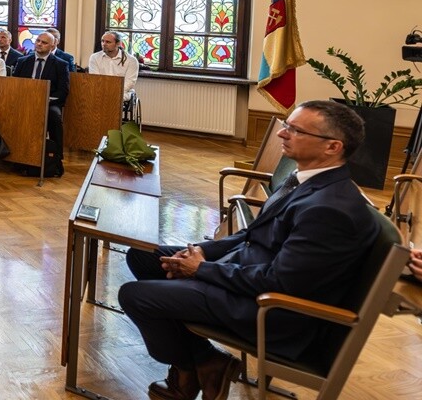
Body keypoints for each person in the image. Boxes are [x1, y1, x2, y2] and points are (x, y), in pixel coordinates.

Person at [118, 101, 379, 400]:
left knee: (135, 296)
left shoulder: (330, 209)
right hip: (245, 273)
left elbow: (279, 282)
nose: (283, 134)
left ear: (332, 147)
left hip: (270, 309)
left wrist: (202, 269)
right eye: (286, 125)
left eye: (295, 130)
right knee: (142, 254)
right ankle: (201, 363)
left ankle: (200, 364)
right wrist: (199, 251)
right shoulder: (304, 178)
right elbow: (251, 235)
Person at [14, 31, 70, 176]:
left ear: (52, 46)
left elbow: (63, 91)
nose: (39, 44)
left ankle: (56, 158)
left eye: (44, 42)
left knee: (55, 118)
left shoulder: (60, 64)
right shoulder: (23, 61)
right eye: (38, 40)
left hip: (49, 103)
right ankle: (17, 157)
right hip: (25, 102)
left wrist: (45, 100)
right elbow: (14, 84)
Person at [88, 31, 139, 99]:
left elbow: (130, 82)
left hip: (122, 92)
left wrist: (113, 92)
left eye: (108, 42)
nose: (104, 44)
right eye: (102, 41)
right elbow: (95, 78)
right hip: (101, 91)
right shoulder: (94, 57)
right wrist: (105, 92)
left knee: (117, 97)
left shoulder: (131, 60)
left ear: (118, 44)